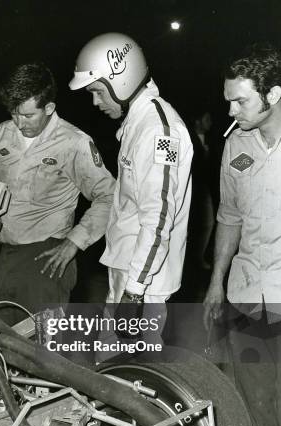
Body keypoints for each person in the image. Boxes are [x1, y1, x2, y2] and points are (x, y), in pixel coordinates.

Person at [0, 62, 115, 325]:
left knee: (40, 345)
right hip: (7, 256)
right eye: (14, 114)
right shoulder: (1, 134)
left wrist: (74, 242)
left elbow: (108, 196)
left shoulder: (74, 142)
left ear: (49, 108)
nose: (19, 123)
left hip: (48, 256)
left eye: (28, 116)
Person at [69, 33, 192, 329]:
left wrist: (134, 292)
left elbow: (159, 217)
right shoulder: (139, 122)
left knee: (133, 371)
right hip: (130, 270)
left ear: (120, 82)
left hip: (143, 284)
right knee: (111, 370)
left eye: (98, 91)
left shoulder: (158, 131)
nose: (96, 102)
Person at [203, 43, 281, 426]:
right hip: (247, 296)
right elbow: (229, 218)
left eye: (241, 100)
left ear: (271, 95)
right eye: (228, 100)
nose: (232, 109)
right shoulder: (236, 144)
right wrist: (217, 282)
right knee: (258, 415)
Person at [188, 109, 217, 270]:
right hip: (191, 189)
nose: (210, 123)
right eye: (207, 119)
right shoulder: (188, 138)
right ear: (198, 121)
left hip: (204, 189)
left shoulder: (211, 140)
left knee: (208, 223)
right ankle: (190, 260)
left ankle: (198, 257)